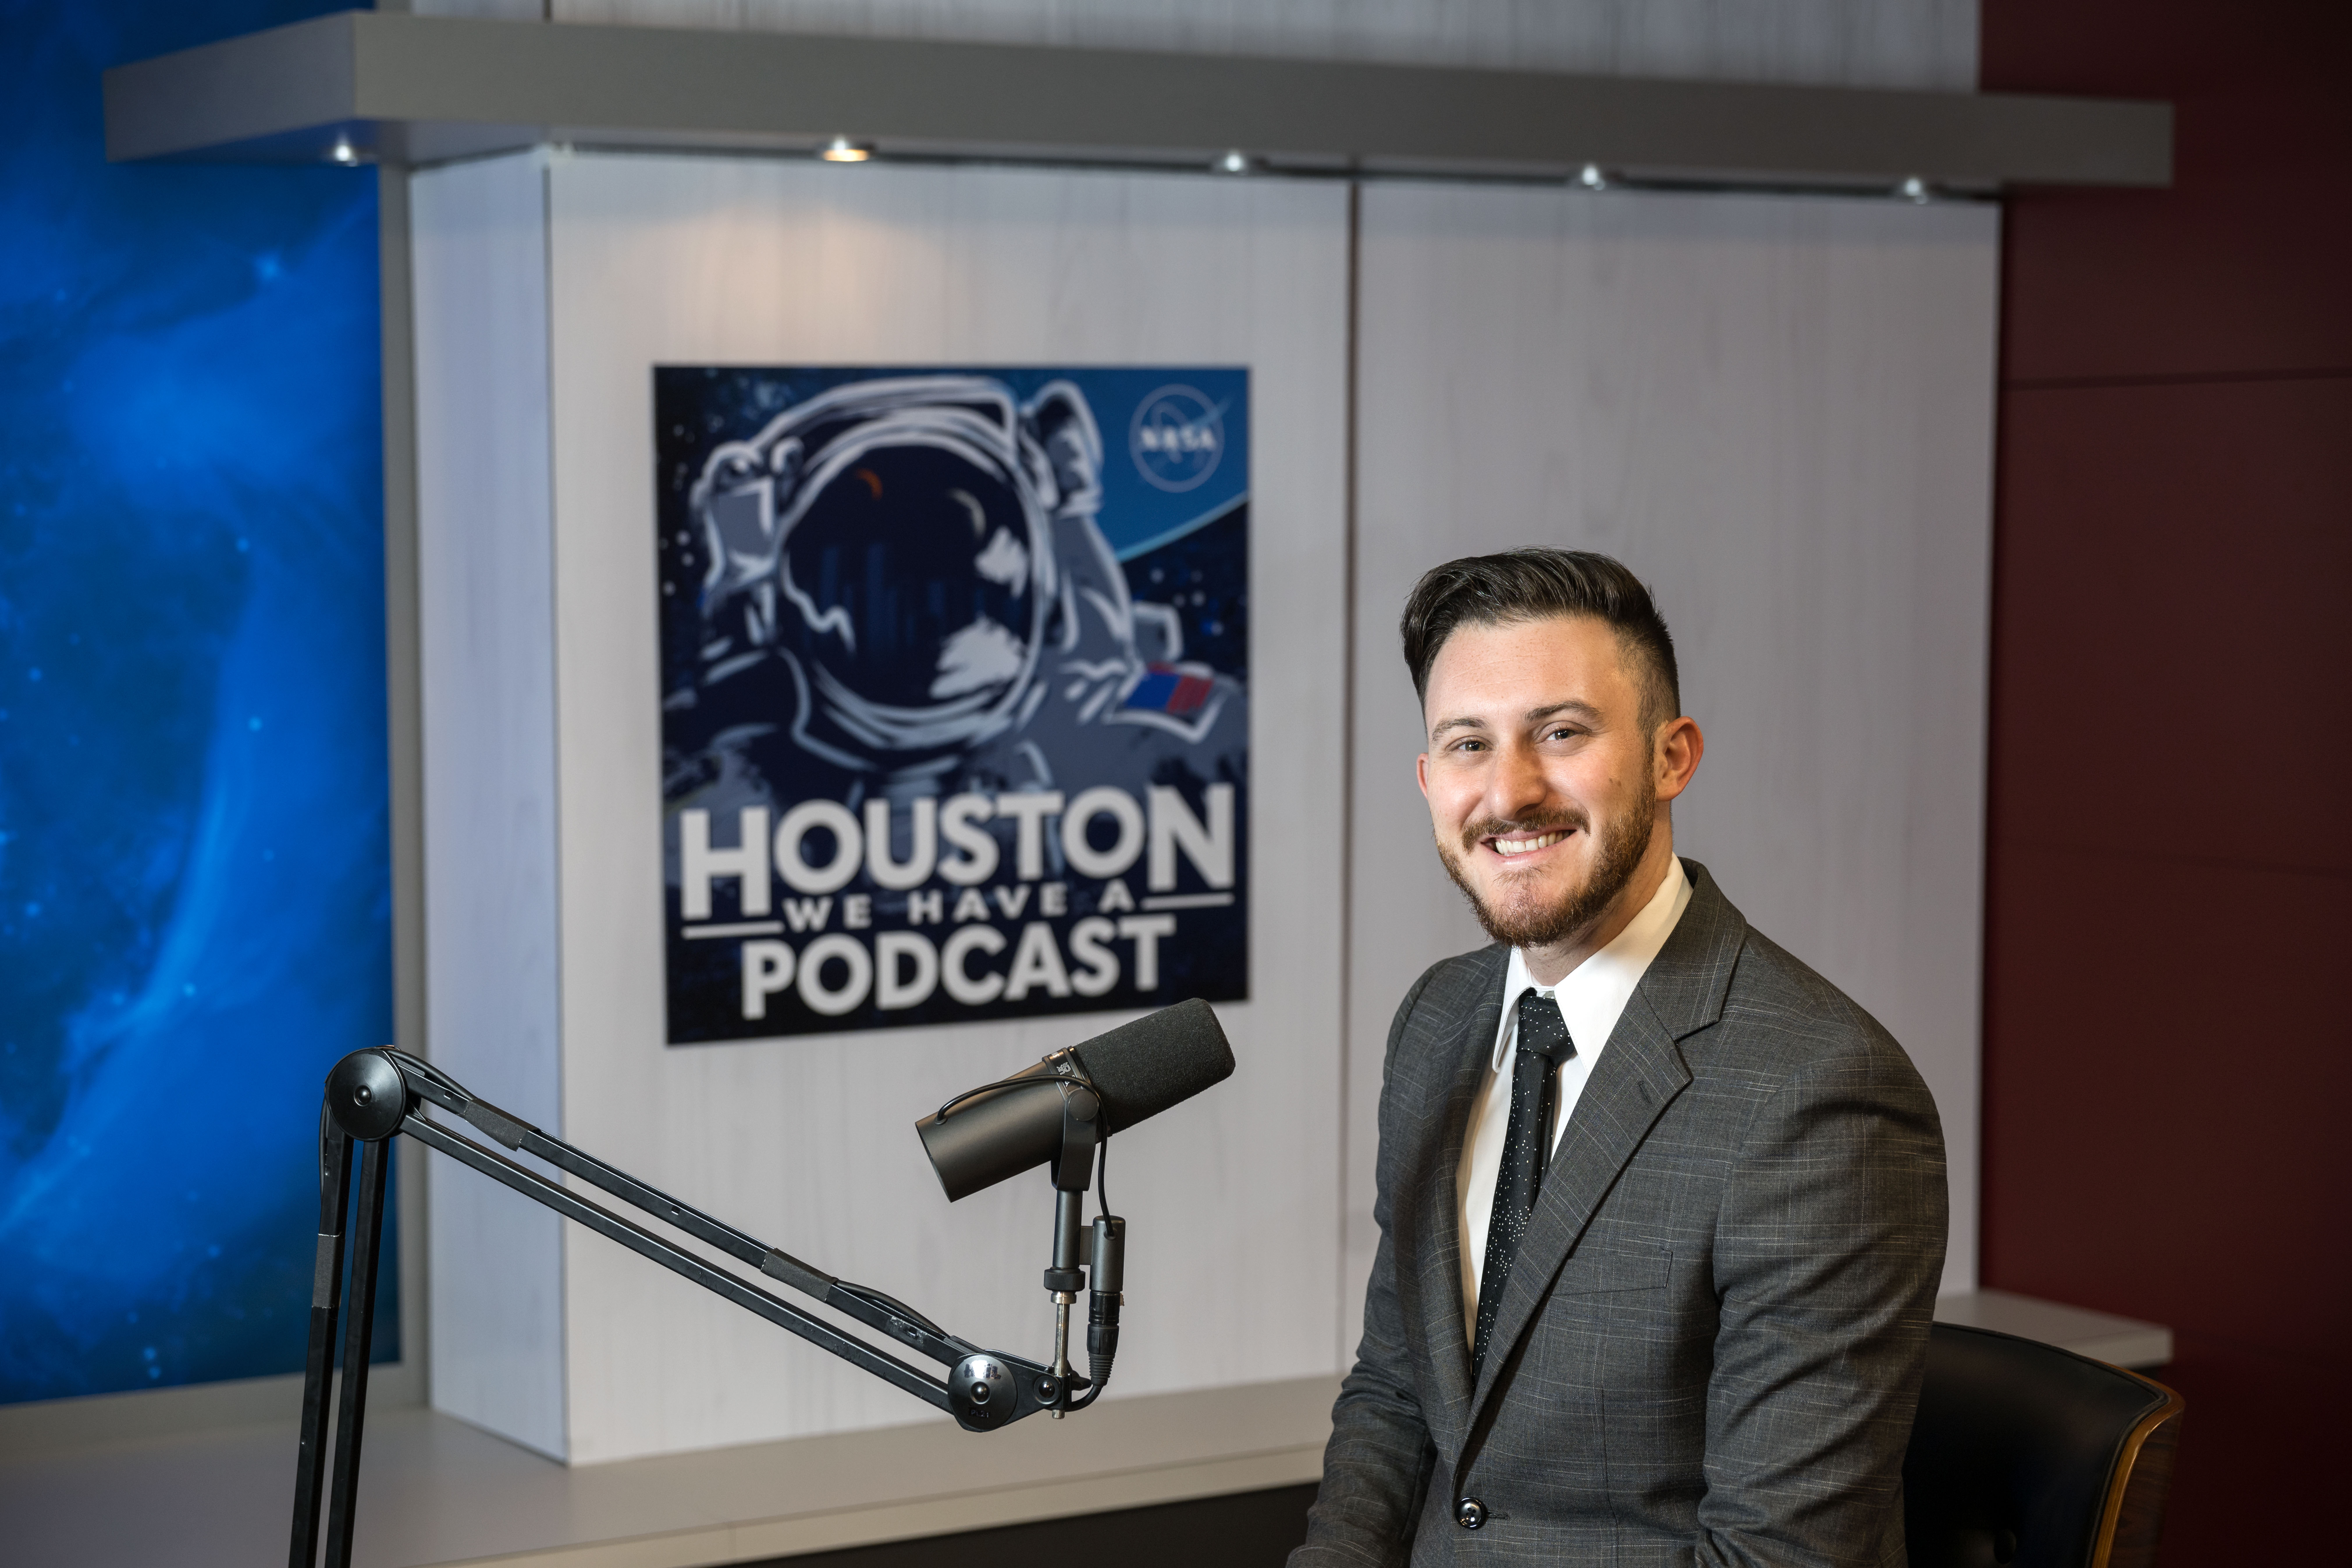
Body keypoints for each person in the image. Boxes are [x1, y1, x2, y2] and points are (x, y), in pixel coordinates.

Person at [1294, 549, 1947, 1565]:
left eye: (1560, 733)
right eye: (1469, 744)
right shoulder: (1438, 1020)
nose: (1509, 792)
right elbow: (1393, 1391)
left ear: (1672, 755)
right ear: (1429, 781)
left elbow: (1779, 1558)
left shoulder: (1821, 1093)